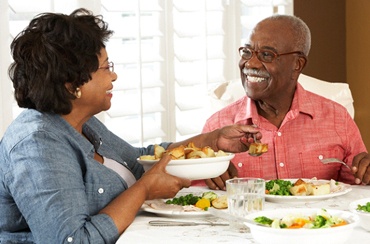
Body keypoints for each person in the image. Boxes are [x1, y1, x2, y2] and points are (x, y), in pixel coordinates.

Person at [0, 8, 261, 243]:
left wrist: (211, 141)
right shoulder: (37, 145)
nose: (113, 75)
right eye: (105, 67)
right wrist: (145, 188)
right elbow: (72, 240)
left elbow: (138, 161)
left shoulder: (82, 123)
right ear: (72, 84)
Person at [193, 14, 370, 190]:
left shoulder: (337, 118)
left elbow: (357, 187)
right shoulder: (217, 128)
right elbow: (193, 202)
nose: (251, 63)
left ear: (297, 64)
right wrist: (209, 178)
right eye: (247, 52)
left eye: (266, 55)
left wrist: (366, 173)